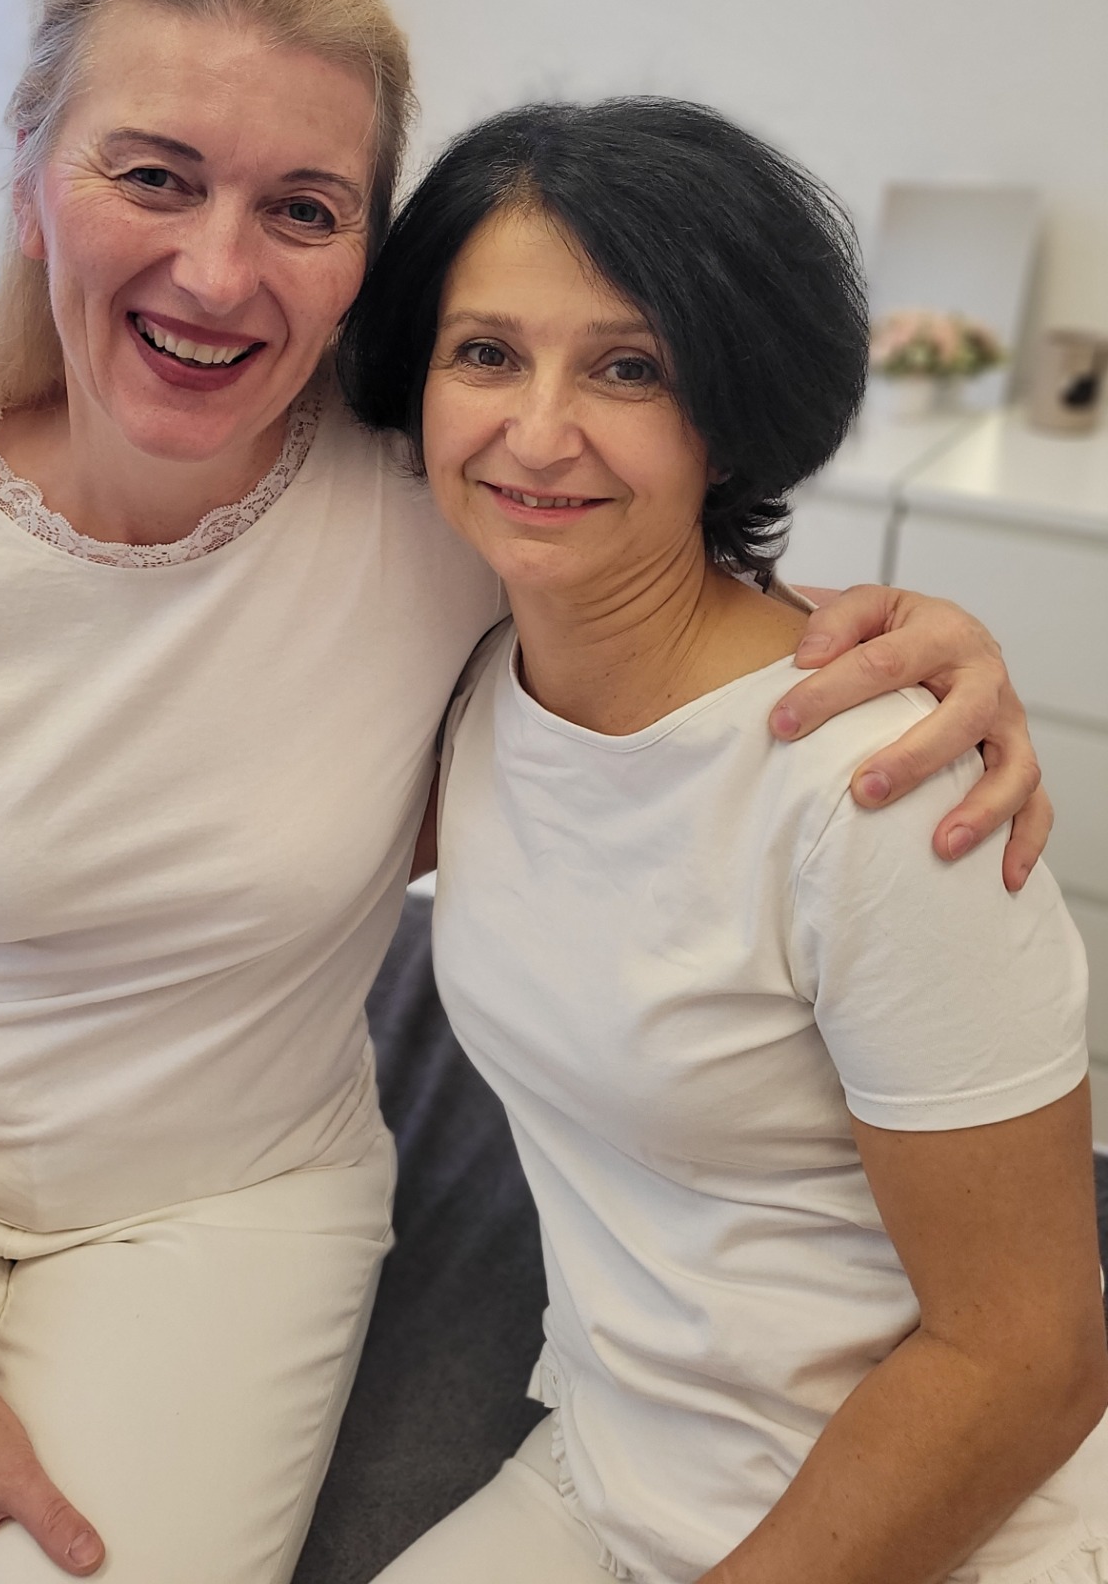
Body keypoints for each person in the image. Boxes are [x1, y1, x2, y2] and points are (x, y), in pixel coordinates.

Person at [0, 0, 1053, 1584]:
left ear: (359, 264)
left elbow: (662, 609)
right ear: (31, 178)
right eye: (154, 176)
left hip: (236, 1206)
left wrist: (918, 645)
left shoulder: (428, 512)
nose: (216, 272)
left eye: (304, 209)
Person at [335, 98, 1108, 1584]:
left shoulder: (875, 790)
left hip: (925, 1527)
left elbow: (1030, 1361)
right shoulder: (475, 678)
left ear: (729, 407)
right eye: (485, 353)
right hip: (611, 1467)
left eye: (629, 366)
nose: (537, 432)